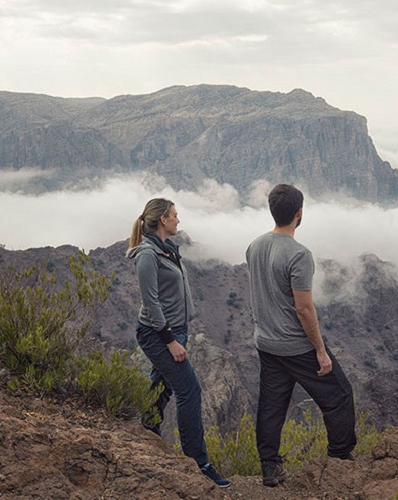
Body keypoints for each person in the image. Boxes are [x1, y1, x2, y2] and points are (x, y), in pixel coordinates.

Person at [246, 184, 357, 487]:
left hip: (266, 343)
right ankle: (339, 460)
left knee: (271, 405)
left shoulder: (254, 246)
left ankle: (270, 468)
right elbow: (304, 309)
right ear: (299, 214)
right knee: (339, 396)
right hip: (296, 346)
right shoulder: (299, 255)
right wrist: (320, 350)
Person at [126, 198, 231, 489]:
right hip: (158, 333)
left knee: (160, 389)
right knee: (189, 390)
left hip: (175, 330)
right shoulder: (147, 255)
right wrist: (171, 341)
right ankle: (200, 463)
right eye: (174, 215)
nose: (178, 220)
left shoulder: (166, 248)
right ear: (162, 219)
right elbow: (151, 303)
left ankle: (146, 437)